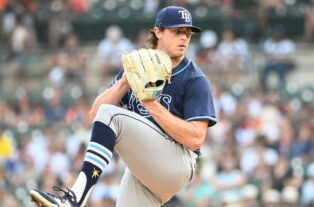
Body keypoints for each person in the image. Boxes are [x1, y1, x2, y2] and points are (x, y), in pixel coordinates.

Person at [29, 5, 217, 207]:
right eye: (177, 31)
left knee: (112, 116)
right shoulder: (138, 68)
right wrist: (124, 82)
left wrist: (151, 105)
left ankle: (74, 199)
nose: (184, 38)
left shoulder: (194, 79)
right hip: (146, 171)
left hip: (177, 164)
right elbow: (95, 115)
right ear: (158, 32)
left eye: (188, 32)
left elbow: (196, 138)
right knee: (107, 113)